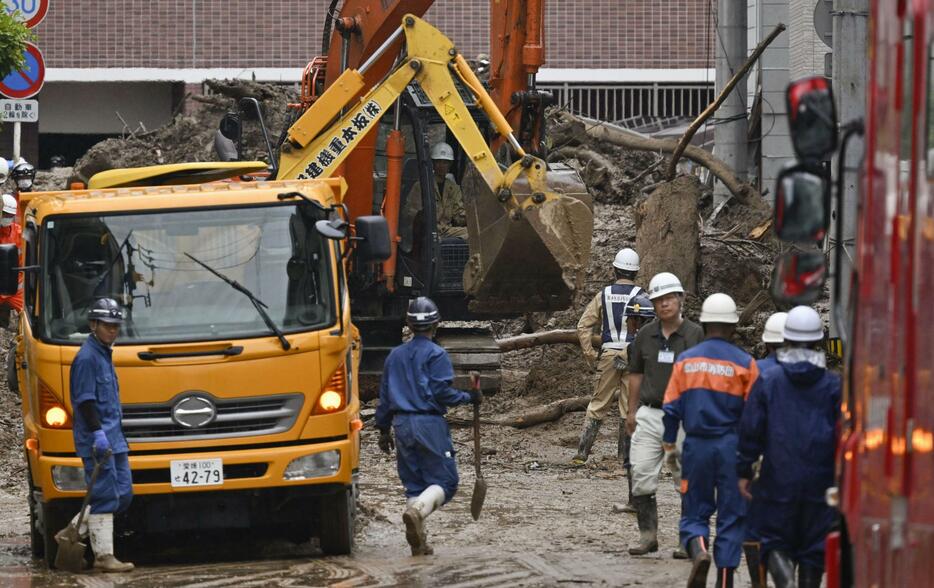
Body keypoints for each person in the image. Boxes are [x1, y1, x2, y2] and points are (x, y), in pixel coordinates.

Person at [737, 306, 840, 588]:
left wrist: (744, 469)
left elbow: (750, 430)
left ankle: (784, 583)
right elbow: (845, 435)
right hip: (821, 479)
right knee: (814, 547)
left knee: (773, 538)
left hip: (778, 475)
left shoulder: (769, 381)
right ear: (819, 341)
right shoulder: (833, 386)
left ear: (786, 340)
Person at [661, 293, 759, 588]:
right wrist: (752, 456)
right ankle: (725, 581)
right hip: (733, 448)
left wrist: (669, 444)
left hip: (697, 446)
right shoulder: (746, 364)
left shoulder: (686, 361)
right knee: (732, 518)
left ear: (703, 325)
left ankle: (700, 552)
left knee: (695, 512)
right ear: (731, 328)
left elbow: (670, 408)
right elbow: (755, 416)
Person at [375, 296, 481, 556]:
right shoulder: (436, 354)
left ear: (409, 325)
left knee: (414, 483)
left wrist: (383, 429)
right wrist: (470, 397)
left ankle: (419, 541)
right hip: (428, 423)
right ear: (436, 324)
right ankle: (417, 511)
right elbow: (441, 392)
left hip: (401, 425)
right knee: (447, 482)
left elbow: (386, 397)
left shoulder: (395, 356)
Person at [625, 272, 704, 556]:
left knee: (685, 479)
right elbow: (635, 374)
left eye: (669, 298)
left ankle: (687, 539)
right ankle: (648, 536)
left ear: (681, 299)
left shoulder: (695, 334)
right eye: (658, 300)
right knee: (642, 473)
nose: (664, 304)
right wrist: (631, 412)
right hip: (649, 414)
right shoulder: (646, 335)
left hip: (683, 418)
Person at [59, 298, 134, 572]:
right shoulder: (87, 358)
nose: (112, 331)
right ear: (93, 325)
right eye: (107, 326)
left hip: (115, 437)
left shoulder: (103, 353)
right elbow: (85, 401)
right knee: (104, 494)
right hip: (98, 439)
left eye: (115, 326)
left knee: (123, 493)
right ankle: (104, 557)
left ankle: (73, 528)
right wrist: (98, 434)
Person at [571, 247, 643, 467]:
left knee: (598, 403)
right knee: (629, 406)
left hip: (608, 354)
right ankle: (624, 458)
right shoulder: (643, 296)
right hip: (632, 355)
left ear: (614, 270)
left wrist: (589, 353)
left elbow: (583, 325)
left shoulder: (603, 294)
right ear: (636, 273)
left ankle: (581, 455)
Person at [742, 310, 788, 588]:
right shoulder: (816, 374)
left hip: (761, 460)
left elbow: (747, 418)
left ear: (767, 343)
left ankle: (758, 582)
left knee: (755, 526)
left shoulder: (756, 369)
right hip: (799, 461)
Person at [400, 142, 467, 252]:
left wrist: (471, 215)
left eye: (445, 162)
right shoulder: (421, 185)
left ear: (450, 164)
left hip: (446, 230)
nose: (442, 165)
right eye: (439, 161)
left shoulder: (453, 188)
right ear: (433, 163)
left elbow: (458, 217)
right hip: (427, 231)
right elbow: (409, 214)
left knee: (473, 236)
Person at [0, 194, 23, 328]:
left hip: (16, 288)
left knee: (29, 315)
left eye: (10, 215)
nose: (7, 218)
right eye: (5, 214)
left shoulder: (19, 233)